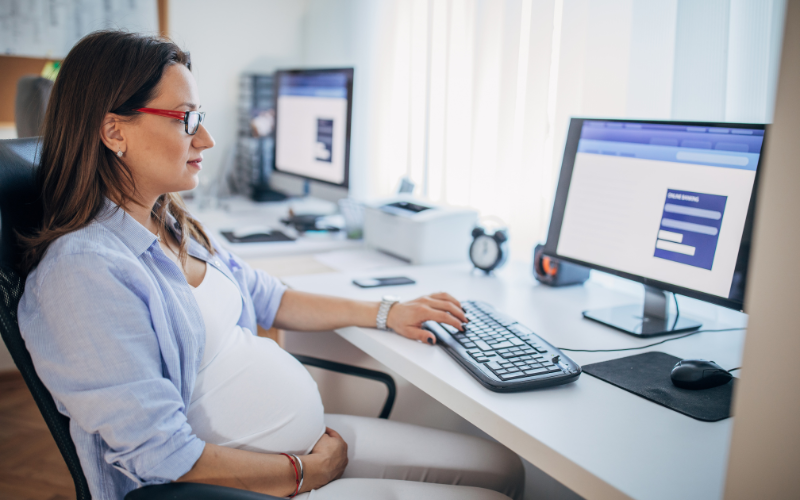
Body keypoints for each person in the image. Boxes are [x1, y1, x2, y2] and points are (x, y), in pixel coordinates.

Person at [17, 31, 524, 500]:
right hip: (238, 486)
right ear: (114, 131)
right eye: (187, 118)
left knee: (504, 469)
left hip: (299, 453)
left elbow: (270, 297)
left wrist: (385, 310)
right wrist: (306, 471)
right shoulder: (82, 274)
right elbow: (162, 458)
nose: (206, 139)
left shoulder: (170, 224)